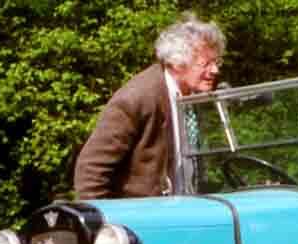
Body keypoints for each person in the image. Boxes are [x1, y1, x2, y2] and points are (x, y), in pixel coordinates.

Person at [74, 13, 225, 199]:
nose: (215, 70)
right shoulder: (138, 98)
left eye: (216, 62)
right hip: (143, 220)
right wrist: (105, 224)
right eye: (205, 64)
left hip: (186, 212)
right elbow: (91, 169)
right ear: (177, 63)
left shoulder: (192, 97)